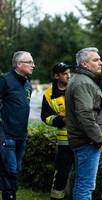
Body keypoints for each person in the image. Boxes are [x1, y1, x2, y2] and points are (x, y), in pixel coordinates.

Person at [41, 62, 102, 200]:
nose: (68, 75)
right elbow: (45, 117)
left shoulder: (77, 85)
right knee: (62, 174)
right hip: (64, 142)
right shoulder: (49, 94)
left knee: (82, 178)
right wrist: (60, 120)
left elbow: (100, 86)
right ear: (56, 76)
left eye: (69, 72)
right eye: (64, 74)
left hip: (83, 139)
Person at [0, 51, 35, 200]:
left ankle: (11, 194)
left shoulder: (28, 84)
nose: (34, 65)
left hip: (22, 135)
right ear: (19, 64)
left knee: (17, 170)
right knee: (10, 170)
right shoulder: (4, 80)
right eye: (30, 62)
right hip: (6, 134)